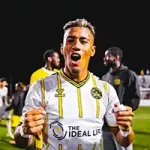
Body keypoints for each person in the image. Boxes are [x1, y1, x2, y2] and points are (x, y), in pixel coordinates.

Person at [14, 18, 135, 150]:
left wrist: (125, 129)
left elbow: (124, 140)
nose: (76, 45)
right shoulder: (40, 87)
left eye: (83, 41)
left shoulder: (106, 89)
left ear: (92, 50)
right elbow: (21, 141)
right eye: (70, 40)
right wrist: (24, 132)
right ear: (62, 49)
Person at [102, 47, 140, 150]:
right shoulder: (105, 77)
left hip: (120, 126)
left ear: (116, 57)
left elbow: (135, 98)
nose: (104, 58)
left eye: (107, 56)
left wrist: (123, 112)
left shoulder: (128, 74)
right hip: (105, 127)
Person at [29, 49, 60, 149]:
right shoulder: (37, 75)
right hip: (42, 118)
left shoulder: (60, 74)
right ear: (49, 59)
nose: (59, 60)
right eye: (57, 57)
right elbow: (32, 98)